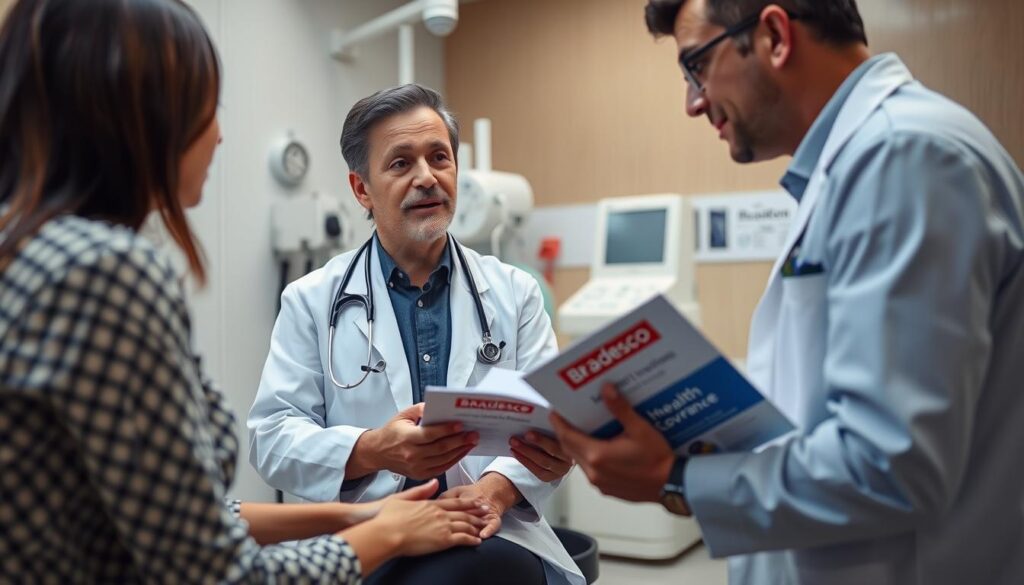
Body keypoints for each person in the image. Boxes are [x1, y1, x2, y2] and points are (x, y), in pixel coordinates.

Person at [0, 0, 490, 582]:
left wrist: (365, 516)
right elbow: (215, 569)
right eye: (207, 107)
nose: (221, 133)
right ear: (147, 115)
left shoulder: (30, 251)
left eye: (440, 158)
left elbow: (176, 516)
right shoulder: (105, 272)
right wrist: (380, 527)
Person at [549, 1, 1024, 584]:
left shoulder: (903, 157)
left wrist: (677, 479)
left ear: (774, 35)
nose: (693, 102)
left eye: (695, 65)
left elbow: (891, 465)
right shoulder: (850, 168)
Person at [247, 84, 585, 585]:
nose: (427, 177)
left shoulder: (515, 293)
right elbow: (271, 438)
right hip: (369, 530)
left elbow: (550, 428)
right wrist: (374, 449)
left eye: (438, 157)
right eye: (401, 163)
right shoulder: (310, 300)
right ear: (362, 189)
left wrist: (492, 492)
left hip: (490, 530)